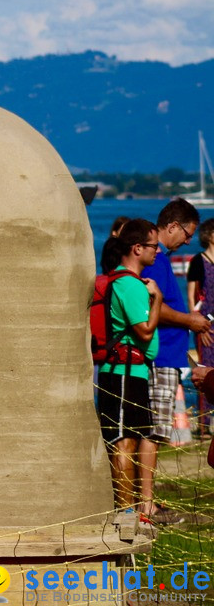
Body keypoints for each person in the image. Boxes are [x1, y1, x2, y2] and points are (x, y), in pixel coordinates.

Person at [141, 199, 209, 518]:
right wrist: (189, 320)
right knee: (154, 431)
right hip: (161, 355)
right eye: (187, 234)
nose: (188, 241)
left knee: (157, 431)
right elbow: (151, 304)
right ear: (172, 226)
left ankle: (146, 500)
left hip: (170, 353)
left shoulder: (162, 259)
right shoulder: (156, 259)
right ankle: (146, 503)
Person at [96, 219, 161, 517]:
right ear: (137, 249)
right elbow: (145, 331)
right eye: (153, 246)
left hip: (130, 371)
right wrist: (157, 298)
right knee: (123, 439)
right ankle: (125, 513)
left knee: (131, 438)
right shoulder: (130, 285)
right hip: (124, 372)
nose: (157, 252)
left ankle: (131, 511)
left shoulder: (121, 282)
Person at [187, 218, 214, 436]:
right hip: (206, 323)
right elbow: (192, 297)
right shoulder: (198, 261)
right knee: (204, 370)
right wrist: (198, 325)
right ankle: (204, 424)